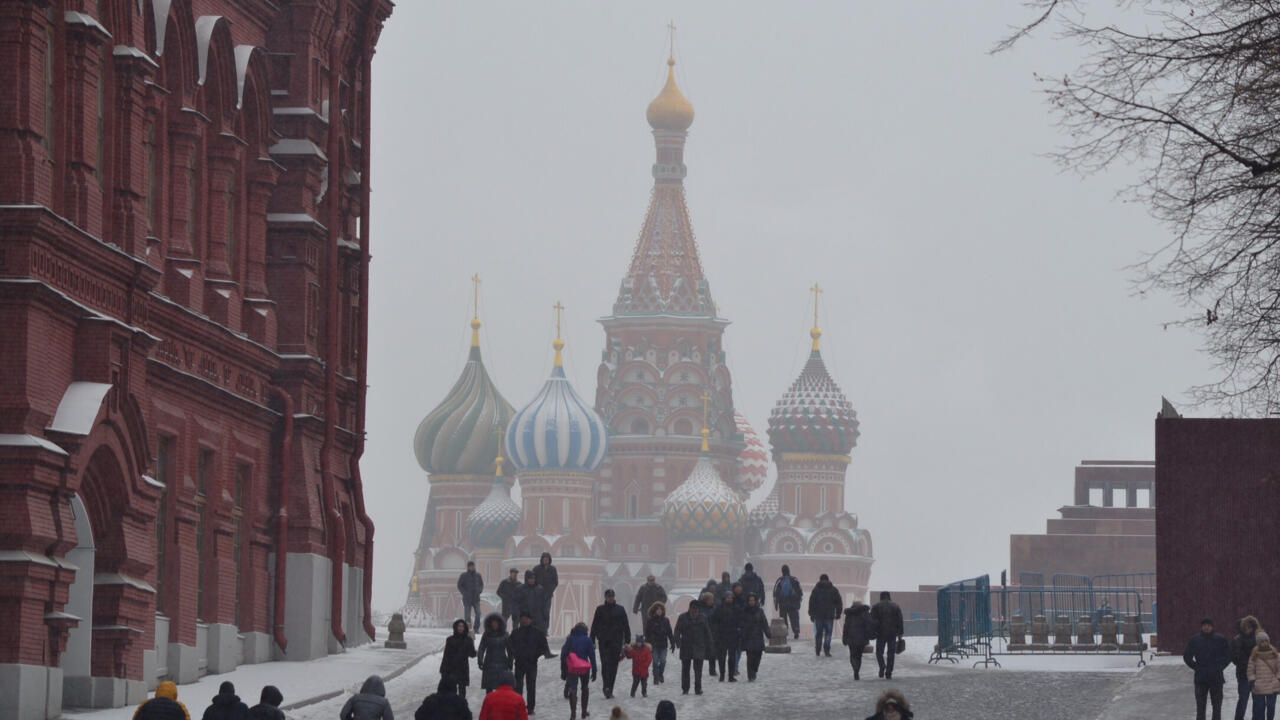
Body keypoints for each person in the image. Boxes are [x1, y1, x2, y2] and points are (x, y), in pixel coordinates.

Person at [1185, 617, 1232, 720]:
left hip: (1216, 678)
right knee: (1200, 707)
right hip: (1200, 679)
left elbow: (1228, 655)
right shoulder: (1195, 639)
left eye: (1208, 625)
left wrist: (1220, 667)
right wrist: (1196, 667)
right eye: (1204, 625)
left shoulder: (1220, 639)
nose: (1206, 627)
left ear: (1212, 626)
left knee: (1217, 706)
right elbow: (1187, 656)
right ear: (1201, 627)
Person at [508, 610, 553, 715]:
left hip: (532, 663)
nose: (524, 620)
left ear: (530, 620)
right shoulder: (515, 632)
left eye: (526, 618)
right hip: (519, 663)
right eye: (523, 618)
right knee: (518, 686)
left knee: (531, 686)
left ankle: (531, 707)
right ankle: (517, 706)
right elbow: (509, 646)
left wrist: (535, 655)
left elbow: (544, 647)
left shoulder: (537, 632)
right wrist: (514, 655)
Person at [590, 589, 632, 699]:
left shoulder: (620, 609)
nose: (610, 598)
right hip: (604, 641)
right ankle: (606, 687)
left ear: (614, 597)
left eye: (612, 596)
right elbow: (594, 625)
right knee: (605, 664)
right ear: (605, 597)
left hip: (616, 641)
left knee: (614, 666)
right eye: (608, 596)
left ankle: (610, 689)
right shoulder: (600, 609)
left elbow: (626, 625)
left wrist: (627, 640)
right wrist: (592, 639)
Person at [673, 599, 712, 695]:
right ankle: (685, 688)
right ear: (689, 608)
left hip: (699, 646)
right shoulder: (682, 617)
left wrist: (709, 645)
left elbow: (707, 632)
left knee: (698, 670)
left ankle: (698, 688)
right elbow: (677, 630)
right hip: (686, 646)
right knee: (685, 669)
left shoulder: (703, 618)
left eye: (696, 608)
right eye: (693, 608)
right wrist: (678, 643)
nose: (694, 610)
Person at [560, 622, 597, 720]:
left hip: (572, 668)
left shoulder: (570, 639)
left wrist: (563, 670)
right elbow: (592, 656)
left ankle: (573, 714)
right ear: (585, 630)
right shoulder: (588, 640)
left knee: (573, 689)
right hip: (584, 668)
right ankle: (584, 712)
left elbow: (563, 654)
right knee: (585, 688)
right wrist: (594, 671)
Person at [870, 591, 904, 680]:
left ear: (881, 597)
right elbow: (900, 621)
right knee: (891, 653)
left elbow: (872, 621)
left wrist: (872, 632)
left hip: (880, 633)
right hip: (892, 633)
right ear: (889, 597)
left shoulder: (876, 607)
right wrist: (900, 634)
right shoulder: (895, 606)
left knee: (879, 652)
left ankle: (882, 666)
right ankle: (889, 672)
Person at [1234, 616, 1263, 720]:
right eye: (1246, 627)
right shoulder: (1238, 639)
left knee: (1258, 700)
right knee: (1243, 699)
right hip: (1243, 674)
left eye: (1250, 627)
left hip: (1258, 674)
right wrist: (1249, 662)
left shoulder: (1260, 638)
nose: (1248, 629)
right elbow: (1235, 657)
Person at [807, 574, 842, 657]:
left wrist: (811, 614)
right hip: (829, 616)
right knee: (828, 633)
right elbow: (839, 603)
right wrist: (838, 613)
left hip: (818, 615)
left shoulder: (816, 590)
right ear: (828, 579)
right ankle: (826, 650)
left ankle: (818, 650)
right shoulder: (834, 590)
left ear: (820, 580)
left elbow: (811, 602)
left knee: (818, 633)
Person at [478, 614, 513, 695]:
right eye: (493, 623)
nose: (494, 624)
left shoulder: (505, 635)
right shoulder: (486, 634)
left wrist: (510, 662)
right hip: (489, 663)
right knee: (489, 687)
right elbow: (481, 648)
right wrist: (480, 660)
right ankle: (489, 703)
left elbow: (510, 650)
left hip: (502, 663)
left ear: (500, 623)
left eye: (496, 623)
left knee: (501, 686)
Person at [442, 619, 478, 699]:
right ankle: (452, 708)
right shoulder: (450, 640)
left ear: (465, 628)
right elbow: (446, 655)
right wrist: (443, 670)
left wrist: (476, 651)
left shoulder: (468, 640)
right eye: (459, 626)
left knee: (462, 691)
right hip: (451, 668)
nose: (461, 628)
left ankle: (461, 708)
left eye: (462, 626)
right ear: (455, 627)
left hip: (463, 668)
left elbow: (472, 654)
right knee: (451, 690)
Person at [710, 592, 741, 682]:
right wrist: (716, 632)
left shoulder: (736, 609)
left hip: (733, 636)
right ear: (724, 598)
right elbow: (713, 621)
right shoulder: (719, 609)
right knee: (721, 657)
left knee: (732, 657)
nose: (729, 599)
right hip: (721, 636)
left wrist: (738, 631)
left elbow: (740, 621)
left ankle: (731, 676)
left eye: (731, 598)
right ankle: (722, 675)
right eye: (728, 598)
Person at [739, 593, 770, 682]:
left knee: (758, 656)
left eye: (753, 600)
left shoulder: (760, 611)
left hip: (758, 636)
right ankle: (751, 675)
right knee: (750, 657)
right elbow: (741, 623)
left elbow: (764, 623)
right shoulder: (744, 611)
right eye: (750, 600)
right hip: (748, 636)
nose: (751, 602)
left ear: (755, 601)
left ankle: (755, 669)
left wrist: (768, 633)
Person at [1249, 631, 1280, 720]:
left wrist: (1277, 679)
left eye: (1266, 641)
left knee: (1271, 708)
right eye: (1261, 641)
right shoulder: (1254, 655)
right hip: (1259, 686)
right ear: (1258, 643)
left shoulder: (1275, 654)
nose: (1264, 643)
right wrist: (1253, 680)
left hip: (1272, 685)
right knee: (1260, 709)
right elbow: (1250, 670)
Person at [842, 601, 875, 680]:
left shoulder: (849, 614)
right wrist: (870, 635)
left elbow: (846, 627)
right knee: (859, 656)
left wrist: (844, 638)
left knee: (853, 655)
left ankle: (855, 669)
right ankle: (857, 670)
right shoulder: (865, 613)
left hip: (851, 638)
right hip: (862, 638)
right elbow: (869, 625)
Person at [644, 602, 674, 685]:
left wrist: (672, 642)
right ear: (654, 610)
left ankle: (660, 674)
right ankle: (656, 677)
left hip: (663, 644)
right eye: (658, 609)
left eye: (661, 609)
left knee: (663, 661)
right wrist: (647, 643)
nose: (659, 611)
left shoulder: (666, 620)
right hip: (654, 645)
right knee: (655, 661)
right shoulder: (650, 621)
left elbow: (669, 632)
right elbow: (647, 633)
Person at [772, 565, 803, 640]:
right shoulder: (794, 579)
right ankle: (796, 632)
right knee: (794, 618)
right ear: (789, 571)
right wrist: (798, 602)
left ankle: (784, 633)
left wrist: (776, 604)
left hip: (783, 603)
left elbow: (775, 593)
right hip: (793, 603)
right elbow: (800, 591)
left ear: (782, 571)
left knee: (783, 619)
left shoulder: (779, 580)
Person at [533, 553, 558, 631]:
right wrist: (537, 588)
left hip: (548, 595)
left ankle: (545, 629)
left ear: (549, 560)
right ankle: (536, 628)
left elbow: (555, 582)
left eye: (547, 559)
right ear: (542, 559)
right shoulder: (536, 569)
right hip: (537, 595)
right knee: (538, 612)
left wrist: (550, 590)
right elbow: (531, 579)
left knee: (546, 612)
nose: (545, 560)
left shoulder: (552, 569)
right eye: (544, 559)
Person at [458, 561, 485, 634]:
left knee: (478, 613)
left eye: (473, 566)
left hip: (476, 598)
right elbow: (459, 585)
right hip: (467, 599)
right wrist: (464, 593)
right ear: (468, 567)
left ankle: (476, 629)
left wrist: (479, 591)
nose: (472, 567)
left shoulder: (478, 575)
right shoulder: (464, 575)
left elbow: (481, 585)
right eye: (470, 566)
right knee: (467, 615)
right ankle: (468, 629)